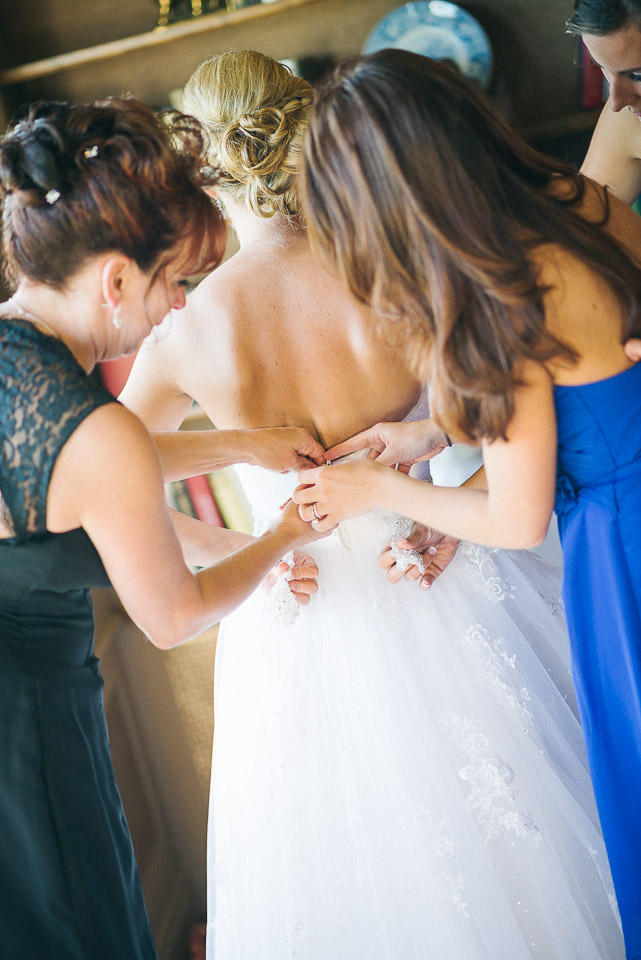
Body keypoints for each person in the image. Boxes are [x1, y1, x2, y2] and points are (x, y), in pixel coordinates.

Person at [122, 50, 625, 960]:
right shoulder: (392, 264)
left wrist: (236, 547)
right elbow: (511, 412)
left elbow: (107, 476)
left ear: (204, 167)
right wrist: (430, 443)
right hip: (451, 563)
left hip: (295, 601)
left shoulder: (188, 331)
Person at [294, 49, 641, 959]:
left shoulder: (504, 298)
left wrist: (373, 485)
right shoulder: (578, 203)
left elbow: (517, 519)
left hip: (622, 552)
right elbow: (584, 386)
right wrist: (434, 436)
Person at [0, 95, 327, 960]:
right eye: (175, 282)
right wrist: (279, 537)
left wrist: (247, 444)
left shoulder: (16, 352)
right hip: (24, 737)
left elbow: (94, 468)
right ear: (115, 280)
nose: (180, 308)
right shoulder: (93, 431)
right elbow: (173, 614)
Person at [566, 0, 641, 361]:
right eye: (605, 70)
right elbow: (575, 229)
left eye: (639, 75)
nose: (617, 101)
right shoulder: (631, 120)